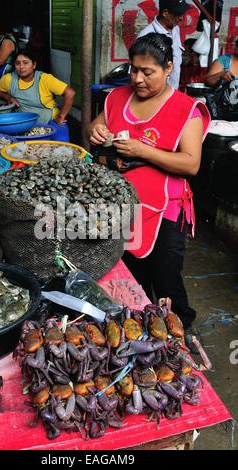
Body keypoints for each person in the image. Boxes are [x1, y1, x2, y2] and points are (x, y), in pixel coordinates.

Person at [88, 33, 211, 353]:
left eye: (148, 72)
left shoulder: (187, 110)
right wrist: (94, 130)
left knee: (166, 277)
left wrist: (143, 151)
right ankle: (141, 338)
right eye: (133, 69)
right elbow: (97, 129)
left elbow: (191, 164)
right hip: (123, 204)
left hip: (166, 207)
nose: (138, 78)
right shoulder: (117, 97)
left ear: (168, 68)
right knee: (131, 277)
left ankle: (183, 333)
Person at [0, 49, 75, 124]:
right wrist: (8, 98)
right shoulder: (9, 79)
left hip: (49, 121)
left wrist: (61, 117)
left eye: (25, 63)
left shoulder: (45, 79)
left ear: (34, 65)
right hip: (22, 122)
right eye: (17, 63)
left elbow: (70, 93)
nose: (21, 67)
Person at [137, 0, 191, 89]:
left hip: (172, 91)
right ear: (165, 13)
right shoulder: (146, 36)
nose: (181, 18)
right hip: (155, 94)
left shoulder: (175, 29)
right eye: (178, 14)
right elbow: (140, 71)